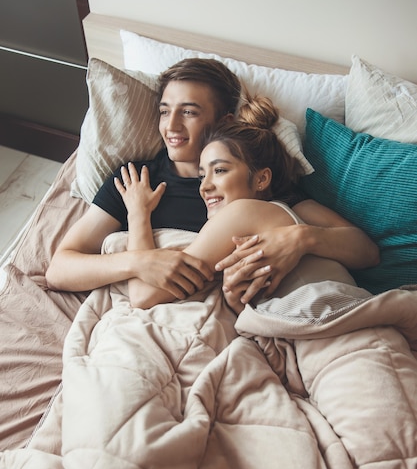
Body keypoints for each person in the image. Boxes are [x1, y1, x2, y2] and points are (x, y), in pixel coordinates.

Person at [45, 58, 379, 300]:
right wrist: (139, 261)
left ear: (223, 120)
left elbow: (365, 251)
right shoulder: (135, 182)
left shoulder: (251, 186)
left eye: (189, 112)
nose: (171, 126)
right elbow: (60, 269)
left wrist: (302, 239)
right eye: (164, 110)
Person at [114, 91, 359, 311]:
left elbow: (142, 296)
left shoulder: (243, 212)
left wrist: (137, 214)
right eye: (202, 175)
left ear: (262, 178)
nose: (204, 186)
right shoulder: (281, 212)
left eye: (219, 170)